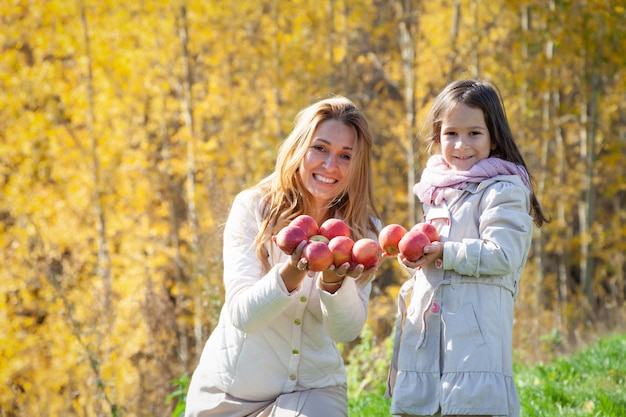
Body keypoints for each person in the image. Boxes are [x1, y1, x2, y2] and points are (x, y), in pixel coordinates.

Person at [185, 96, 382, 417]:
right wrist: (294, 269)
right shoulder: (254, 208)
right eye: (320, 148)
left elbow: (345, 332)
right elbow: (243, 317)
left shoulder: (363, 229)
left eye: (345, 156)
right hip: (231, 393)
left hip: (313, 389)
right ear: (299, 147)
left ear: (357, 165)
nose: (330, 165)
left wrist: (334, 283)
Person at [386, 79, 549, 417]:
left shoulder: (502, 189)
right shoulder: (437, 191)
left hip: (474, 356)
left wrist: (444, 252)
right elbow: (438, 268)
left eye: (474, 133)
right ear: (437, 136)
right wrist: (414, 257)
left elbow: (502, 255)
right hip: (427, 351)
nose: (461, 145)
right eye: (451, 134)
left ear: (494, 136)